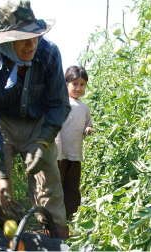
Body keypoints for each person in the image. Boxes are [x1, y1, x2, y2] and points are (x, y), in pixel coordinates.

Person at [0, 0, 71, 239]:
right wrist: (0, 176)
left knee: (49, 181)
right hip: (1, 124)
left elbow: (58, 104)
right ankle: (12, 238)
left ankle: (56, 237)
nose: (32, 43)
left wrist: (43, 141)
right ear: (3, 40)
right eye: (23, 37)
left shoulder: (48, 53)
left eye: (35, 35)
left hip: (38, 122)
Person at [55, 66, 94, 219]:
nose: (78, 88)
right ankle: (53, 217)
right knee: (57, 185)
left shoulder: (84, 108)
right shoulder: (61, 103)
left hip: (75, 154)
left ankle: (70, 215)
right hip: (59, 153)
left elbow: (88, 124)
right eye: (74, 84)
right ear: (66, 84)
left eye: (82, 84)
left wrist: (89, 128)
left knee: (72, 186)